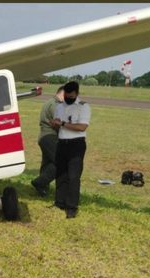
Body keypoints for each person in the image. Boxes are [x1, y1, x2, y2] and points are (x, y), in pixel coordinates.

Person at [50, 81, 91, 219]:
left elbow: (82, 127)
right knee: (61, 173)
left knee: (74, 176)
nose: (68, 98)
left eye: (71, 96)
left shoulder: (83, 107)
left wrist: (62, 123)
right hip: (62, 142)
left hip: (76, 144)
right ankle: (59, 201)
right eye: (66, 95)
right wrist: (55, 124)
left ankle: (71, 207)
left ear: (77, 94)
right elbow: (58, 125)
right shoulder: (60, 106)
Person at [31, 86, 64, 197]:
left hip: (44, 136)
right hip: (50, 136)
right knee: (61, 162)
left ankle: (42, 189)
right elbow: (58, 123)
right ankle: (39, 182)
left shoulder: (50, 102)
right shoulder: (55, 105)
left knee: (48, 162)